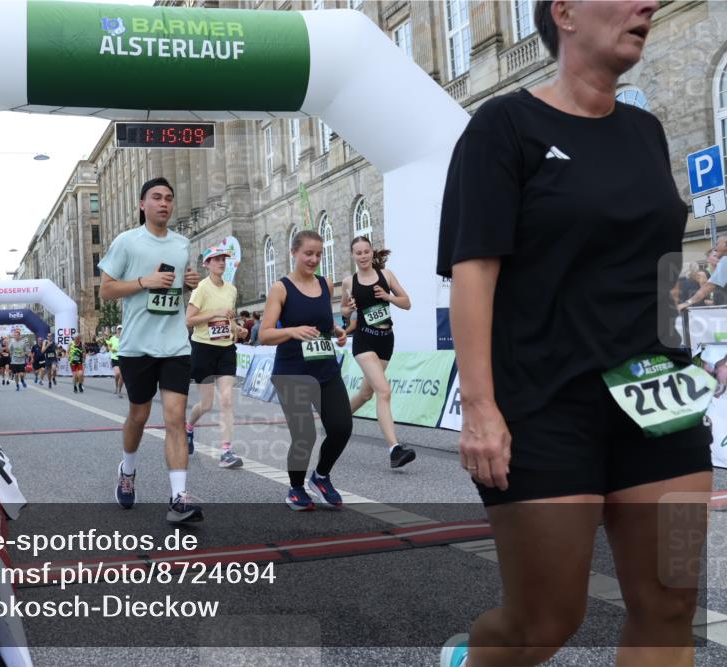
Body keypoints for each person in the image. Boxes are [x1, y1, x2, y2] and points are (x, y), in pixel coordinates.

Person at [436, 3, 712, 667]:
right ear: (563, 12)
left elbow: (657, 262)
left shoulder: (645, 130)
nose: (646, 3)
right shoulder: (505, 125)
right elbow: (472, 270)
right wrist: (479, 409)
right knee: (545, 619)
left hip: (660, 400)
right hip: (546, 404)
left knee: (671, 605)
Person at [98, 176, 203, 523]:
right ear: (142, 204)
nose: (164, 203)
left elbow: (174, 294)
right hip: (137, 347)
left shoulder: (182, 243)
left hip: (174, 345)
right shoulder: (127, 242)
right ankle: (127, 470)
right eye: (156, 197)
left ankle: (178, 498)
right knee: (139, 416)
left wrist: (189, 284)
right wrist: (145, 282)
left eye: (169, 198)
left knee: (175, 419)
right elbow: (107, 291)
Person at [259, 230, 351, 511]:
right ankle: (296, 487)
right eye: (308, 254)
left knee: (341, 427)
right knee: (305, 435)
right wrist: (291, 331)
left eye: (318, 254)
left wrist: (336, 330)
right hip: (292, 371)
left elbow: (322, 321)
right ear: (294, 253)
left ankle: (321, 477)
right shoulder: (281, 288)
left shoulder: (326, 284)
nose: (313, 259)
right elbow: (264, 334)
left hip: (325, 367)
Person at [340, 236, 417, 469]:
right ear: (353, 255)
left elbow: (407, 303)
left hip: (386, 340)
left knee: (366, 394)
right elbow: (343, 309)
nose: (363, 256)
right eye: (358, 253)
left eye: (366, 252)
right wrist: (348, 310)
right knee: (383, 391)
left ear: (372, 253)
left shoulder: (386, 276)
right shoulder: (348, 282)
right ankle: (395, 449)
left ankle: (337, 420)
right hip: (364, 340)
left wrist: (388, 297)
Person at [185, 245, 248, 469]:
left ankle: (226, 451)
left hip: (226, 349)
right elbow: (189, 320)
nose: (221, 262)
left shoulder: (231, 289)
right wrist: (214, 313)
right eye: (216, 259)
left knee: (227, 400)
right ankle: (189, 428)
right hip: (203, 348)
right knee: (205, 404)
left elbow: (227, 317)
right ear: (207, 264)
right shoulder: (201, 289)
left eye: (224, 259)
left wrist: (237, 328)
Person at [107, 325, 124, 397]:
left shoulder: (124, 338)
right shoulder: (112, 338)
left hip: (123, 358)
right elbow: (109, 345)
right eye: (119, 329)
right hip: (114, 358)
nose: (120, 330)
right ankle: (116, 387)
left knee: (122, 376)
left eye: (121, 329)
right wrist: (111, 349)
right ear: (116, 330)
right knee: (117, 374)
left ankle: (119, 391)